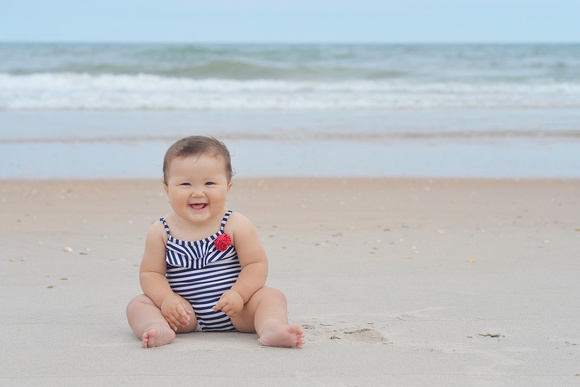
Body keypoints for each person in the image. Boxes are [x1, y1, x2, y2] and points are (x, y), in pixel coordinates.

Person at [126, 136, 305, 349]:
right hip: (183, 315)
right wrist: (166, 300)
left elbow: (256, 265)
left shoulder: (235, 224)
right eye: (185, 184)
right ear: (167, 190)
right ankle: (157, 327)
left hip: (237, 310)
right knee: (138, 305)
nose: (198, 192)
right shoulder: (161, 231)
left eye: (210, 183)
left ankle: (271, 327)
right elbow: (150, 274)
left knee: (272, 296)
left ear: (227, 188)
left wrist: (239, 294)